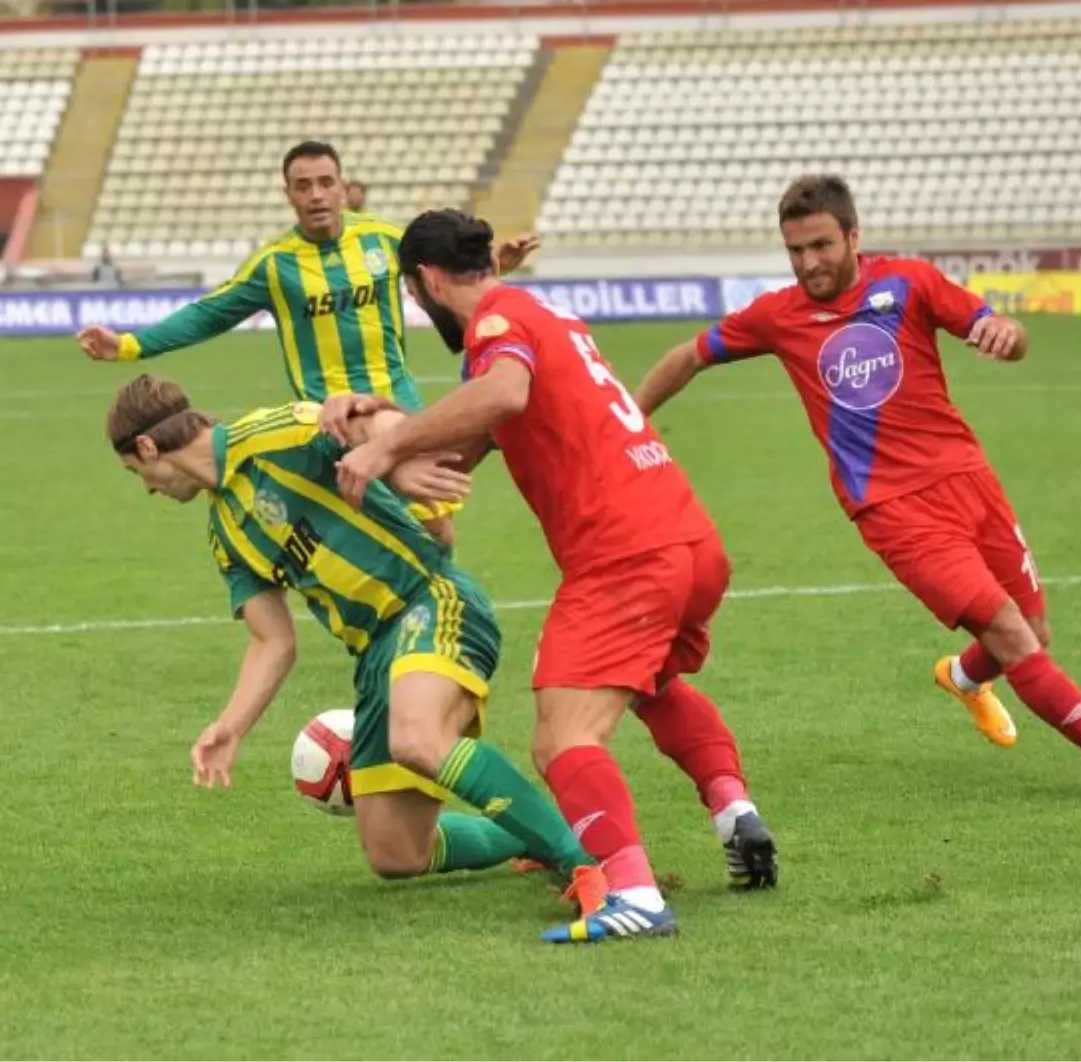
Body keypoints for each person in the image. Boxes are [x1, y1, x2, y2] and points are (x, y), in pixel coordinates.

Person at [632, 174, 1081, 796]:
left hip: (970, 480)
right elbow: (690, 355)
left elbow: (1008, 334)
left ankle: (964, 679)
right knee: (1012, 635)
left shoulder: (908, 282)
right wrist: (628, 418)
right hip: (893, 509)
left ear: (853, 237)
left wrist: (1006, 333)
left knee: (1032, 629)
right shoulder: (778, 316)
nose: (808, 263)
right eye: (796, 251)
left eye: (821, 246)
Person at [332, 209, 779, 944]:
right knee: (652, 686)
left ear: (427, 281)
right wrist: (394, 441)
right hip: (688, 540)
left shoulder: (498, 328)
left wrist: (383, 450)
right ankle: (735, 812)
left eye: (415, 295)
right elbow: (479, 435)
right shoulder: (538, 315)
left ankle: (633, 894)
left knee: (561, 740)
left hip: (625, 554)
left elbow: (502, 396)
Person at [104, 372, 608, 931]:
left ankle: (592, 867)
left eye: (136, 473)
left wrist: (399, 455)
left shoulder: (272, 434)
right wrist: (231, 726)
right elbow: (273, 640)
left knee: (418, 738)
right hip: (375, 657)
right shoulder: (226, 532)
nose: (147, 488)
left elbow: (363, 420)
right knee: (396, 855)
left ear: (148, 446)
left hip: (429, 600)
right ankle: (545, 832)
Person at [77, 141, 538, 545]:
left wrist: (494, 267)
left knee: (435, 530)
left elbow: (445, 274)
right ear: (288, 195)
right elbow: (210, 314)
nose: (315, 194)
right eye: (303, 186)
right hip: (328, 425)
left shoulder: (383, 239)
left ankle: (440, 627)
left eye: (325, 182)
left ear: (342, 187)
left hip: (397, 409)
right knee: (366, 538)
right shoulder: (275, 265)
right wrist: (129, 345)